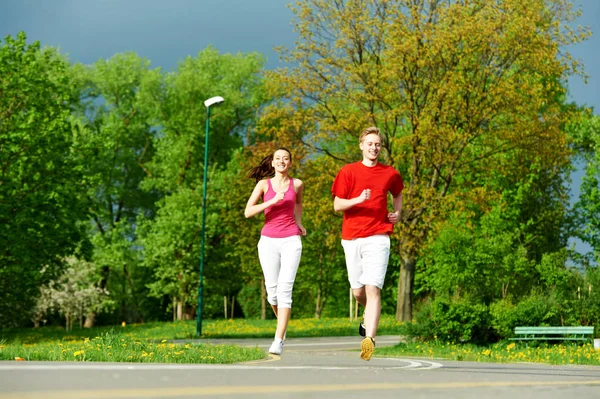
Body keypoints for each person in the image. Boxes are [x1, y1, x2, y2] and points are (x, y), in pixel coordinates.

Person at [331, 126, 404, 361]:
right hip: (351, 237)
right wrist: (357, 199)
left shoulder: (390, 173)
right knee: (358, 291)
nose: (374, 148)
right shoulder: (348, 172)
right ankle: (366, 314)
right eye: (370, 144)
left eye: (378, 144)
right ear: (361, 145)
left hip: (379, 236)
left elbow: (398, 194)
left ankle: (368, 343)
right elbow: (337, 205)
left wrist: (398, 212)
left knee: (373, 289)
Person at [244, 148, 306, 356]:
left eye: (285, 158)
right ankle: (283, 326)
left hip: (291, 240)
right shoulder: (264, 185)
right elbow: (248, 212)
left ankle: (278, 339)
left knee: (285, 290)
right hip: (268, 241)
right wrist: (271, 201)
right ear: (272, 163)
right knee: (272, 292)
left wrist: (299, 224)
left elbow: (298, 204)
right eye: (277, 158)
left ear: (290, 163)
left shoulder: (297, 184)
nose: (281, 161)